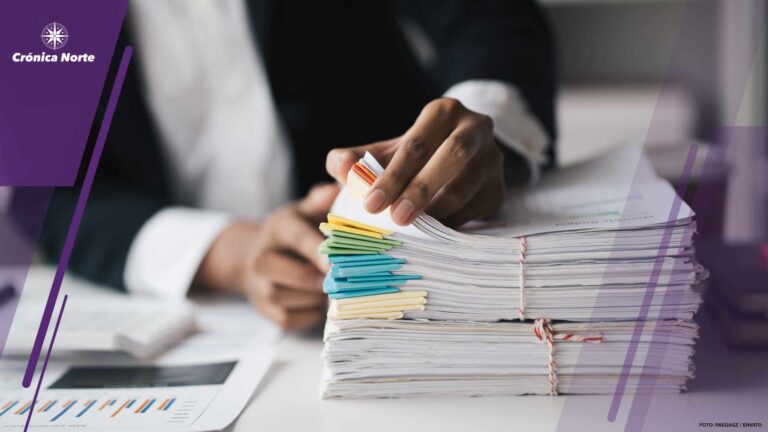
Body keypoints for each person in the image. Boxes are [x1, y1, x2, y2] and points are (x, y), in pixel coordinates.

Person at [40, 0, 556, 331]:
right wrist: (233, 254)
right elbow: (49, 193)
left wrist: (476, 136)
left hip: (427, 268)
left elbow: (489, 18)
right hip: (200, 316)